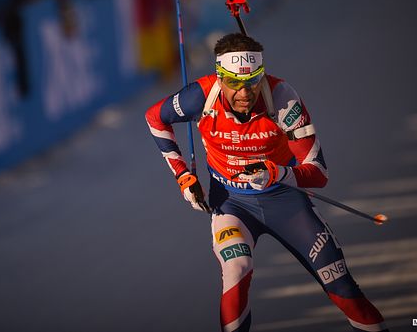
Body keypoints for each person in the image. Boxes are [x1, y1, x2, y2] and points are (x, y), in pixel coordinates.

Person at [145, 32, 388, 332]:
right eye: (234, 82)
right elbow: (155, 118)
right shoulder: (200, 96)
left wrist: (278, 173)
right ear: (220, 78)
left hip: (288, 203)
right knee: (237, 269)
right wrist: (183, 175)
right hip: (232, 204)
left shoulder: (283, 98)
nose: (245, 93)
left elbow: (319, 173)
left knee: (342, 287)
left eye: (252, 81)